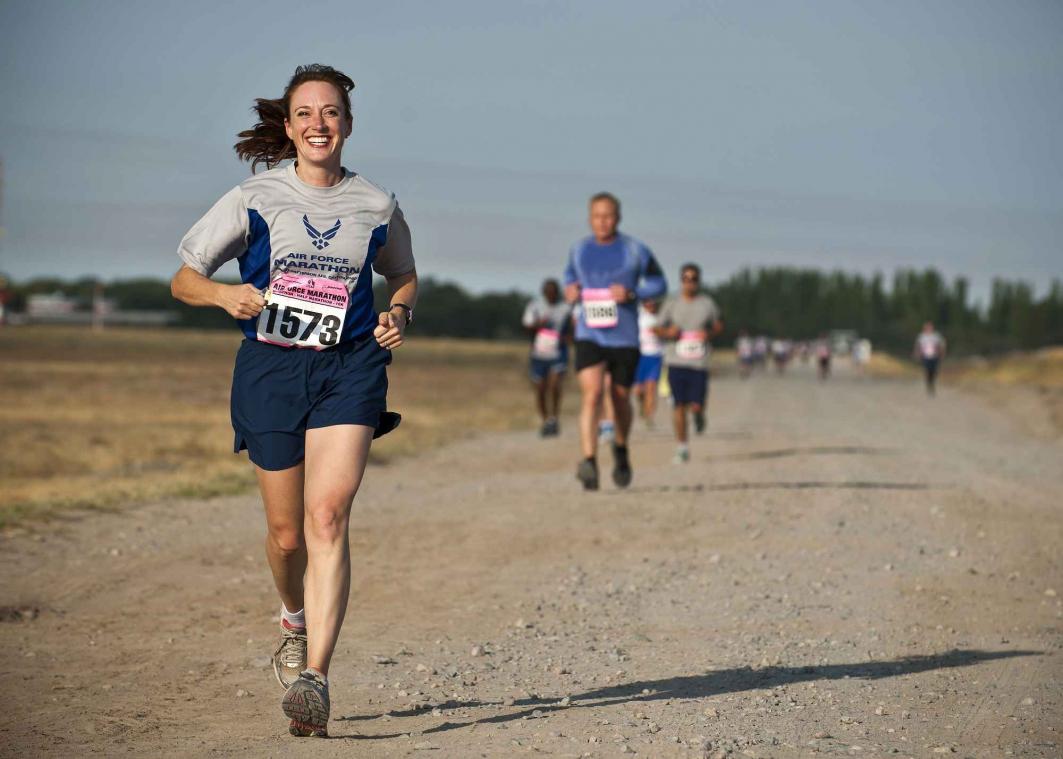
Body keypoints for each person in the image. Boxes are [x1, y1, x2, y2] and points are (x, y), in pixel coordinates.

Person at [170, 64, 417, 738]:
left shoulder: (376, 203)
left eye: (331, 112)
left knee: (328, 515)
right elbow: (183, 278)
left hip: (350, 367)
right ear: (288, 125)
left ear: (348, 122)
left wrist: (400, 310)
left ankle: (315, 676)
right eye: (305, 113)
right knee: (286, 536)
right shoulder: (254, 196)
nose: (318, 124)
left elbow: (402, 272)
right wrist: (225, 295)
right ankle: (292, 618)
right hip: (271, 370)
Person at [563, 192, 667, 490]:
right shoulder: (579, 250)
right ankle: (589, 461)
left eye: (608, 216)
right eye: (597, 216)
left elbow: (659, 283)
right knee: (593, 394)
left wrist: (634, 293)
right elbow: (569, 279)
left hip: (624, 337)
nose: (602, 222)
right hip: (589, 334)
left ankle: (620, 449)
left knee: (620, 398)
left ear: (618, 218)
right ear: (589, 218)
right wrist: (570, 290)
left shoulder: (635, 250)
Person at [655, 263, 723, 463]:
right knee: (678, 405)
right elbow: (656, 328)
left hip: (699, 363)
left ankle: (699, 414)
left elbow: (719, 324)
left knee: (696, 404)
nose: (689, 283)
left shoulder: (707, 304)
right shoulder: (671, 303)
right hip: (676, 360)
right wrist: (668, 332)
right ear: (681, 280)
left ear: (699, 281)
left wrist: (709, 333)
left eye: (693, 279)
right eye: (686, 278)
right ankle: (682, 447)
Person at [522, 278, 573, 436]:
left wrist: (570, 337)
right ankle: (545, 420)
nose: (551, 295)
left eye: (554, 292)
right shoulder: (535, 306)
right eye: (548, 292)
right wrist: (539, 325)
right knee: (541, 389)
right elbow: (526, 326)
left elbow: (573, 326)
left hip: (558, 353)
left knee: (555, 384)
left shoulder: (565, 307)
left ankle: (554, 418)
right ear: (544, 293)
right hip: (539, 353)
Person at [633, 299, 665, 427]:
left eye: (653, 302)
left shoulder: (661, 317)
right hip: (639, 355)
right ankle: (642, 404)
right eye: (648, 302)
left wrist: (661, 332)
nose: (651, 305)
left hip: (655, 356)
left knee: (651, 388)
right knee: (638, 390)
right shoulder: (637, 315)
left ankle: (649, 416)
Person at [913, 322, 946, 395]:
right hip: (925, 356)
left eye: (930, 327)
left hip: (935, 356)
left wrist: (941, 353)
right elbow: (918, 346)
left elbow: (941, 345)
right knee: (927, 370)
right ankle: (929, 384)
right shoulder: (921, 336)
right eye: (927, 327)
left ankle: (932, 382)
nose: (929, 329)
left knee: (934, 371)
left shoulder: (936, 336)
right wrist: (917, 353)